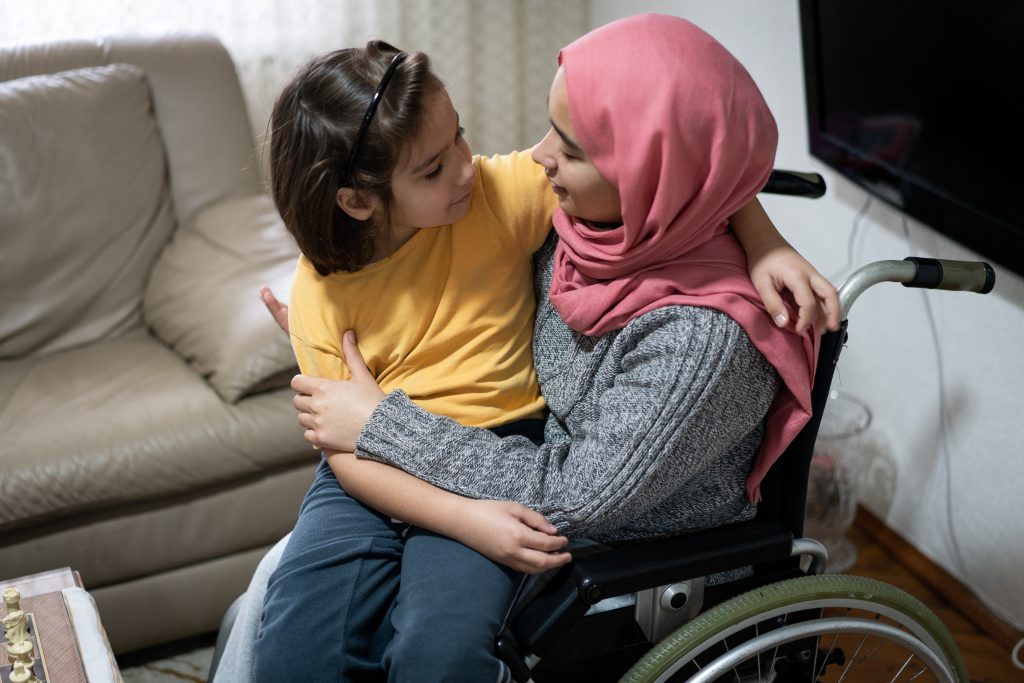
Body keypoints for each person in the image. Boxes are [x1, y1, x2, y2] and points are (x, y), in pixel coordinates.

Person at [234, 15, 836, 683]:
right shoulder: (582, 223)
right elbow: (694, 169)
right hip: (445, 469)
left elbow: (577, 495)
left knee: (427, 651)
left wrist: (381, 423)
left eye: (571, 148)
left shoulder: (698, 341)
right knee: (291, 635)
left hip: (572, 518)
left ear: (646, 174)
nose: (538, 155)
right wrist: (758, 227)